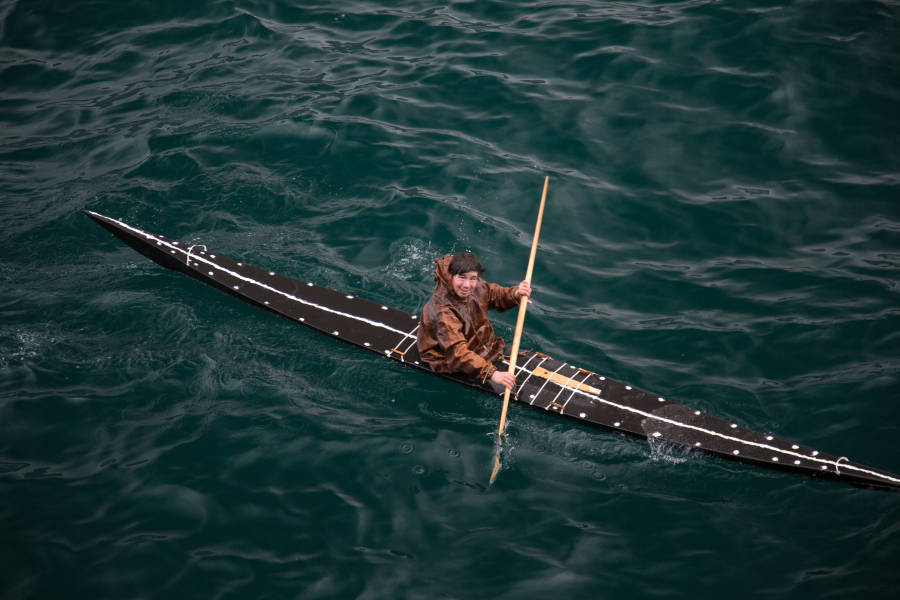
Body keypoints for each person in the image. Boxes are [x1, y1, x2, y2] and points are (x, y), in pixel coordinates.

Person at [416, 252, 531, 391]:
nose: (467, 285)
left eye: (473, 278)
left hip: (480, 346)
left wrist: (515, 293)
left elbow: (493, 294)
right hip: (446, 358)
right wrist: (492, 374)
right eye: (462, 277)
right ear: (451, 275)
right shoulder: (442, 312)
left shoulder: (476, 285)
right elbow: (457, 352)